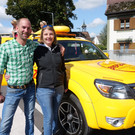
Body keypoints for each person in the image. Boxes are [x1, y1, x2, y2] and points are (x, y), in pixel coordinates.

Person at [0, 18, 65, 135]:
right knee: (6, 121)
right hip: (13, 90)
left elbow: (48, 44)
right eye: (23, 27)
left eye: (28, 28)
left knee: (30, 118)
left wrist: (59, 45)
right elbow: (0, 70)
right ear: (17, 28)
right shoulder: (6, 47)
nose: (26, 30)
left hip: (30, 88)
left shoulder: (33, 45)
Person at [34, 25, 68, 135]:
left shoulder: (59, 49)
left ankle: (54, 132)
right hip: (44, 89)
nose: (49, 36)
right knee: (48, 117)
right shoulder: (37, 50)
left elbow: (62, 68)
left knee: (55, 115)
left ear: (54, 36)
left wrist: (65, 85)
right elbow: (27, 65)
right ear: (42, 36)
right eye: (46, 34)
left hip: (59, 87)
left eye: (51, 34)